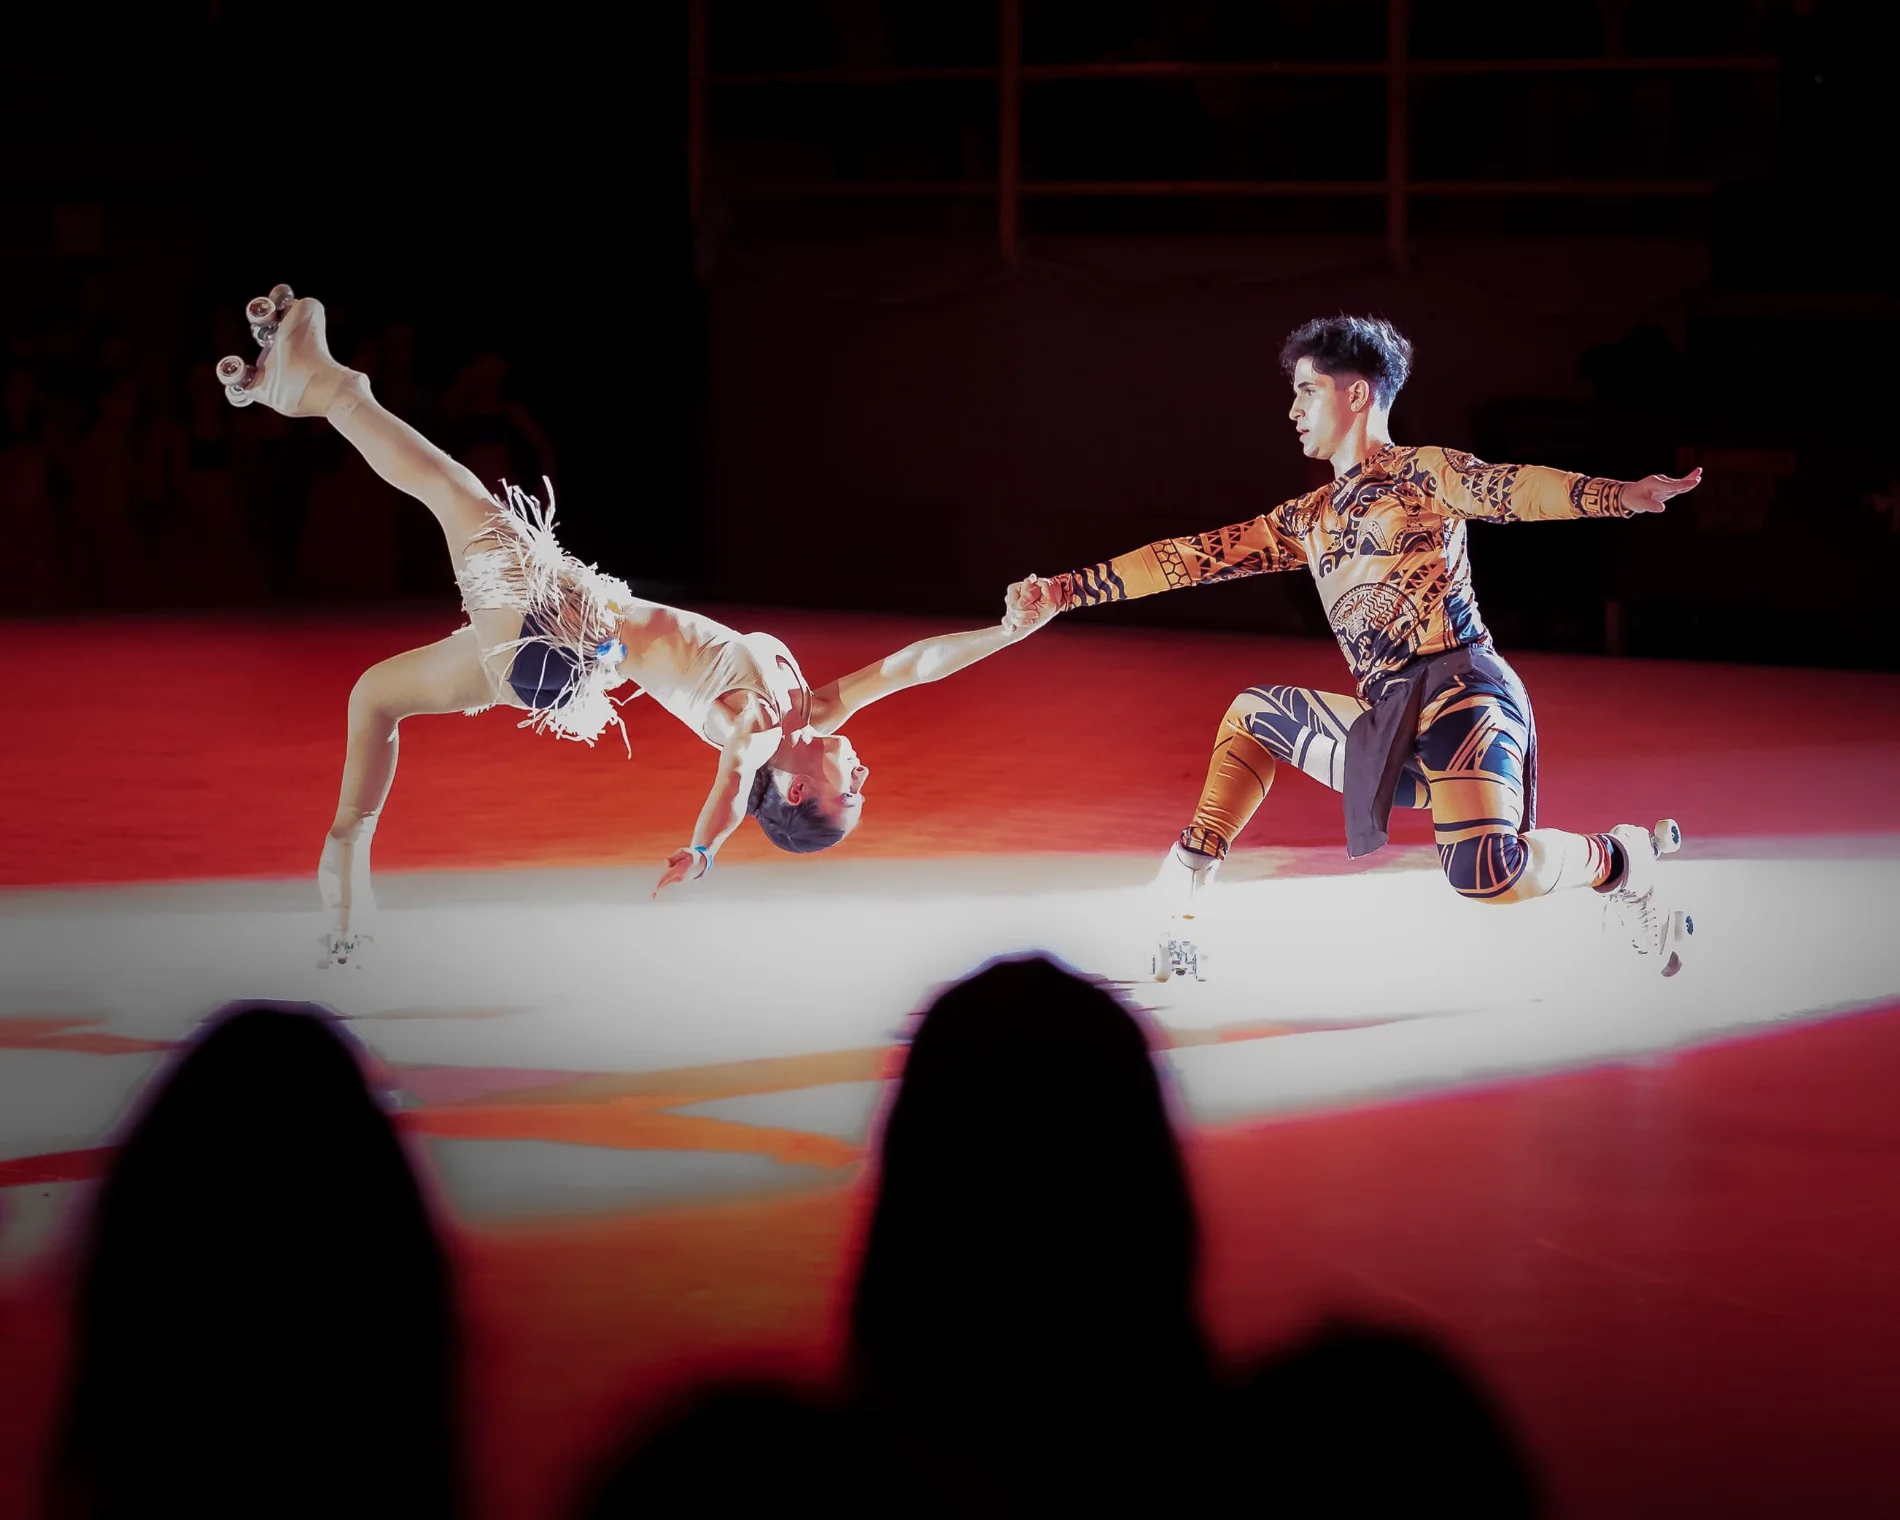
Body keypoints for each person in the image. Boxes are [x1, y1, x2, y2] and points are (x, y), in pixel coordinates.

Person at [217, 287, 1050, 965]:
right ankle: (346, 911)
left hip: (554, 635)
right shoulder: (815, 709)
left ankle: (322, 387)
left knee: (456, 493)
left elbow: (733, 782)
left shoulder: (759, 728)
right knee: (375, 698)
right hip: (543, 667)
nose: (865, 774)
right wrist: (1003, 633)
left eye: (851, 792)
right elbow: (912, 668)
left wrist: (706, 849)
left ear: (798, 790)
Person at [1008, 315, 1702, 978]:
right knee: (1252, 714)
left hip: (1464, 694)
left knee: (1487, 874)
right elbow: (1191, 557)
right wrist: (1065, 590)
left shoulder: (1422, 473)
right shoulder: (1306, 519)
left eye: (1307, 391)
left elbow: (1510, 488)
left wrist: (1616, 495)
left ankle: (1621, 859)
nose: (1293, 410)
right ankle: (1182, 888)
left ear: (1358, 394)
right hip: (1390, 717)